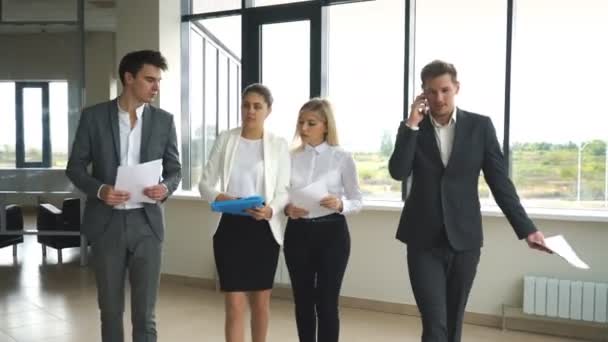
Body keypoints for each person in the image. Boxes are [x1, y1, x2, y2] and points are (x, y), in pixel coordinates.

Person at [388, 60, 550, 342]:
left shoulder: (480, 127)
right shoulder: (415, 129)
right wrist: (411, 124)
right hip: (422, 240)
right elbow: (398, 171)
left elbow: (500, 183)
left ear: (456, 88)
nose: (439, 98)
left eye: (445, 90)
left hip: (465, 241)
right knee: (434, 322)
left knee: (453, 322)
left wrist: (527, 229)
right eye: (431, 92)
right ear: (422, 94)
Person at [66, 50, 181, 342]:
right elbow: (75, 168)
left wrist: (165, 187)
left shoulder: (164, 121)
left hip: (147, 225)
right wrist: (101, 190)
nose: (156, 87)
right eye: (149, 79)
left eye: (158, 81)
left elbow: (175, 170)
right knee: (111, 310)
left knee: (145, 314)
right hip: (107, 225)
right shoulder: (93, 117)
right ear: (128, 78)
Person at [198, 83, 290, 342]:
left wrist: (271, 209)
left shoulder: (278, 145)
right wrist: (223, 197)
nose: (250, 111)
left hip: (263, 229)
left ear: (268, 110)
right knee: (235, 305)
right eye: (246, 105)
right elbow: (205, 184)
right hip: (229, 228)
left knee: (261, 304)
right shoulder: (226, 139)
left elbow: (284, 190)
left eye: (257, 106)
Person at [283, 98, 362, 342]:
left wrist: (340, 204)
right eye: (301, 122)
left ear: (326, 125)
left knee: (327, 302)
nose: (304, 128)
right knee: (303, 301)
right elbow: (281, 196)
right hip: (297, 233)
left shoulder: (342, 158)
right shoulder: (290, 157)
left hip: (333, 235)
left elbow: (357, 200)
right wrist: (287, 209)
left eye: (311, 123)